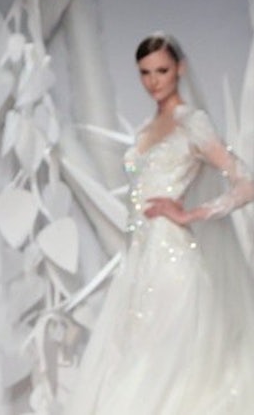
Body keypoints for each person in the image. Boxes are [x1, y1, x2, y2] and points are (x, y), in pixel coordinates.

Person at [67, 33, 254, 414]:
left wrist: (193, 213)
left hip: (174, 262)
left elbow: (246, 182)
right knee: (134, 364)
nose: (153, 81)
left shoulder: (193, 122)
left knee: (164, 371)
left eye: (162, 70)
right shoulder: (146, 129)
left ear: (180, 69)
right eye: (145, 72)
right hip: (140, 261)